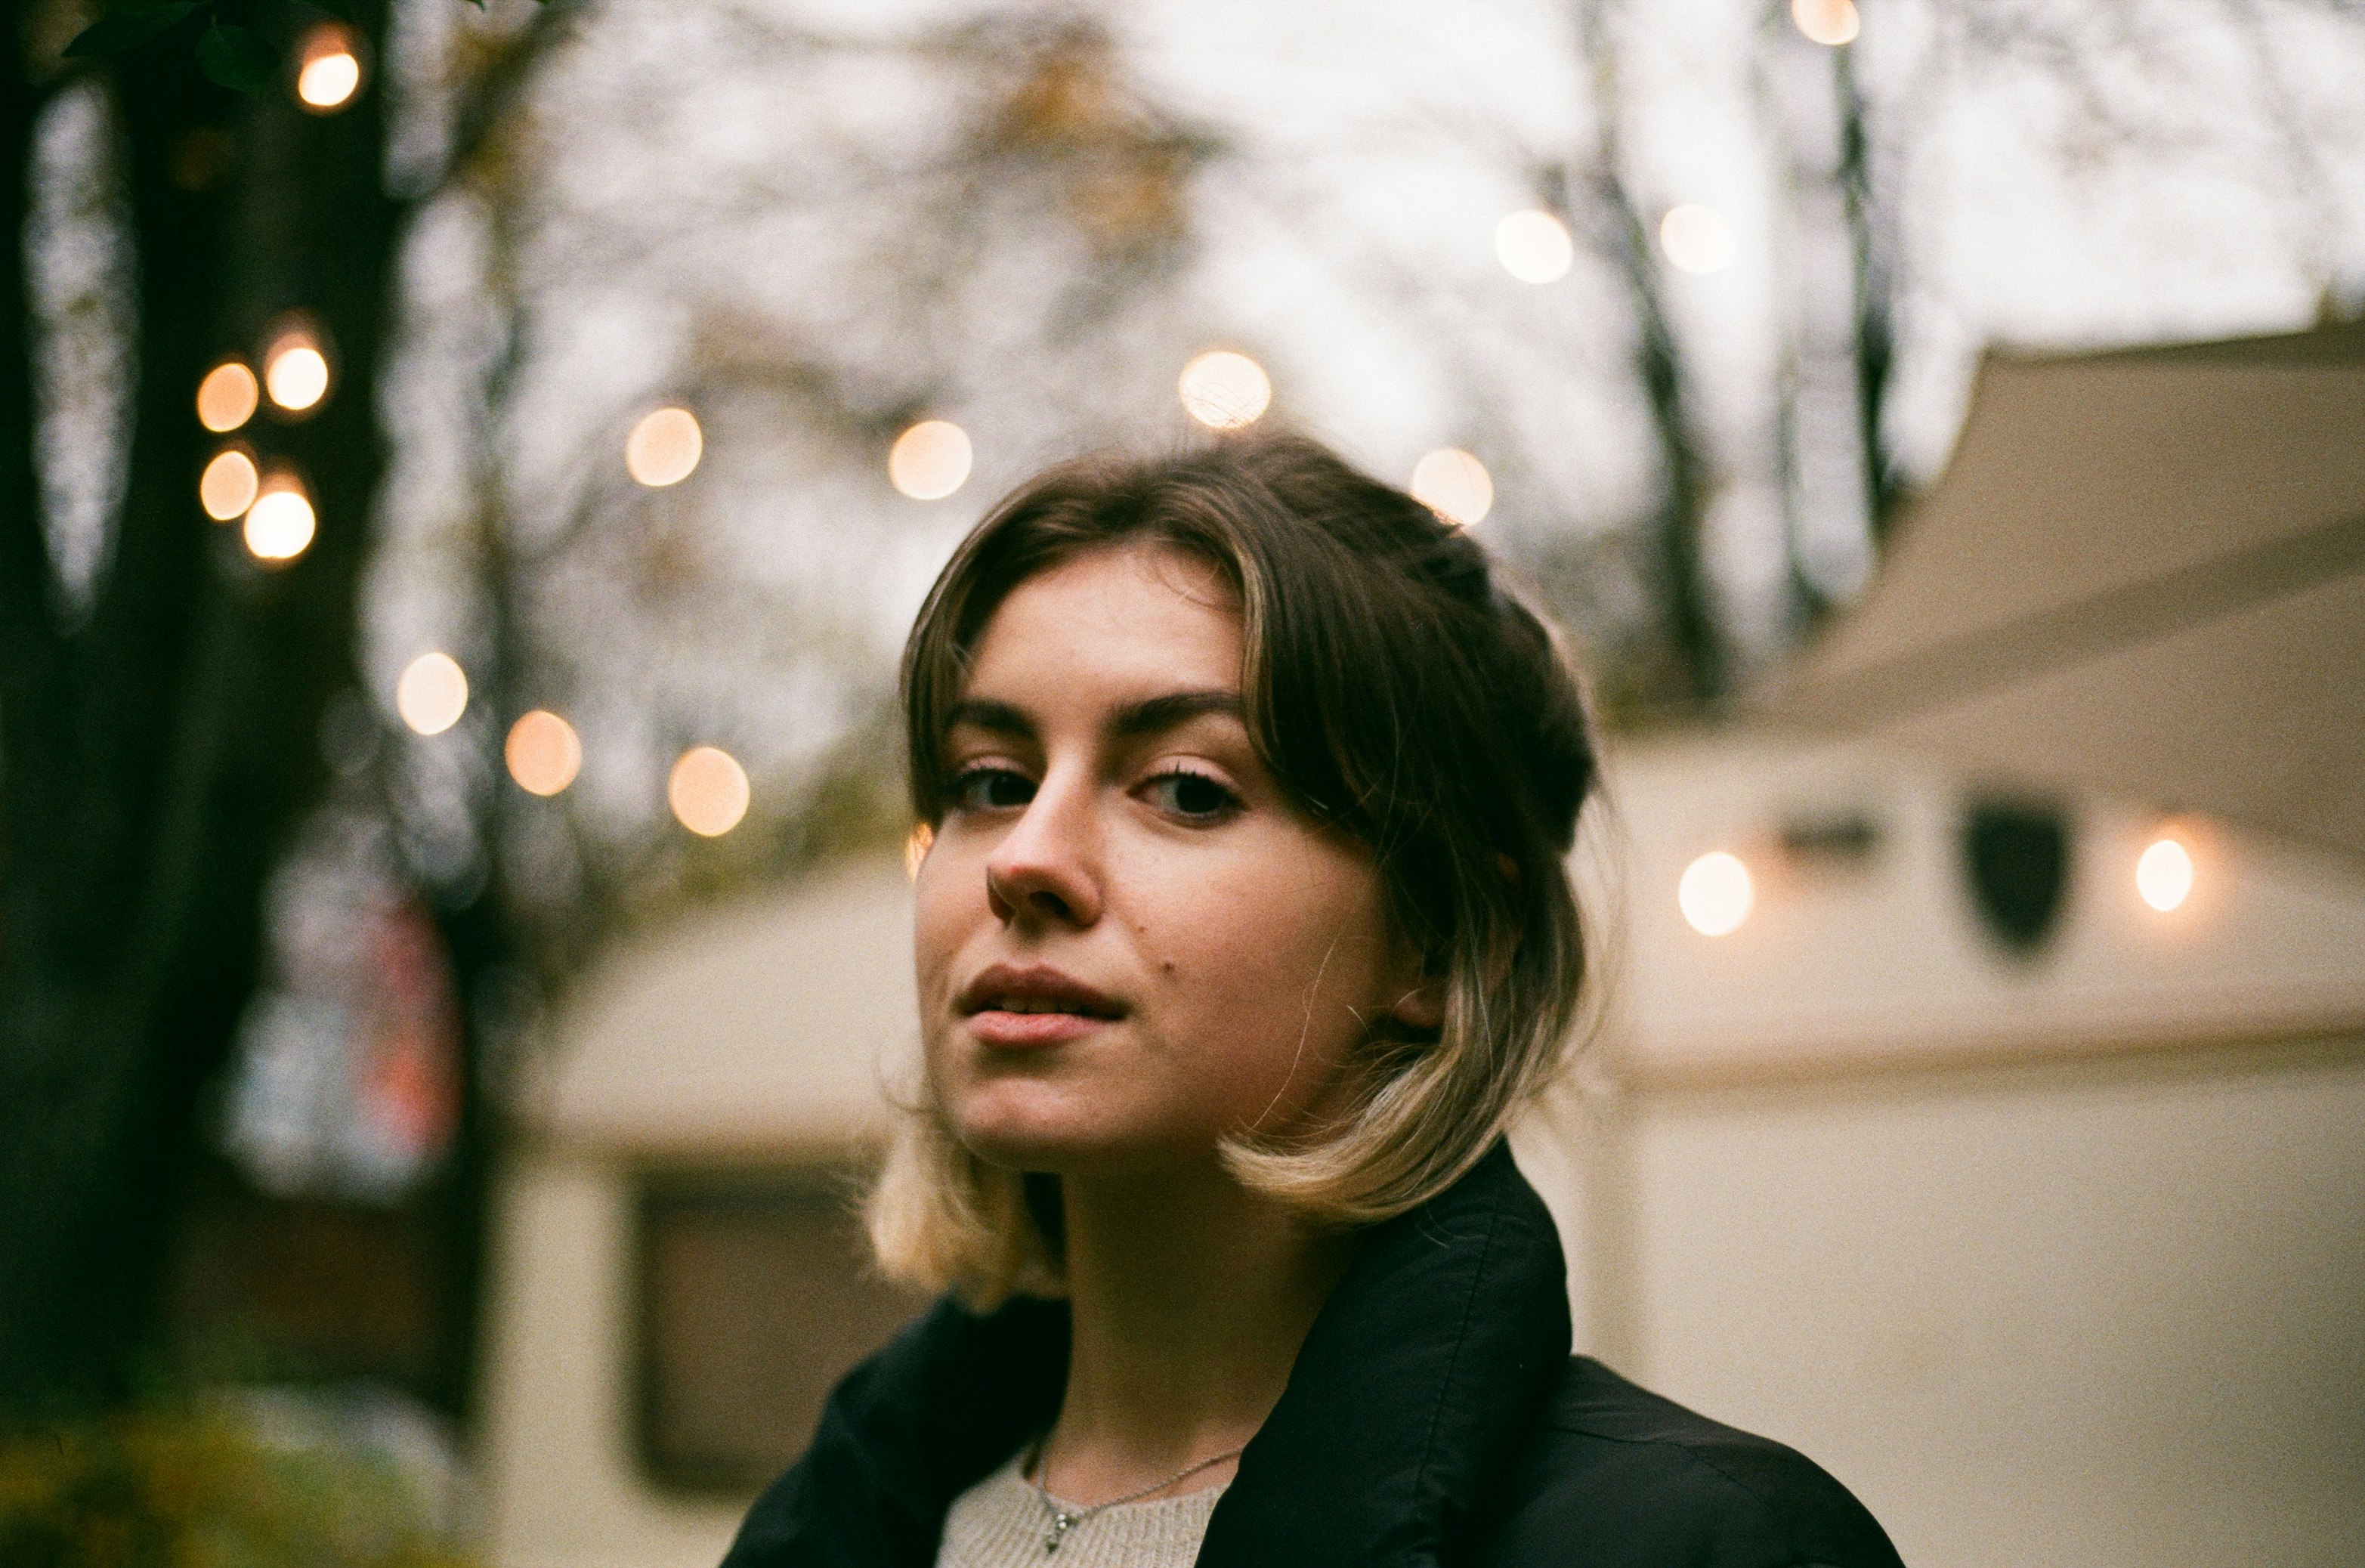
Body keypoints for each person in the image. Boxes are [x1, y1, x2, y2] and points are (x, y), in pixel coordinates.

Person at [722, 435, 1904, 1568]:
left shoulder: (1713, 1550)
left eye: (1184, 790)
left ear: (1447, 946)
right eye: (990, 780)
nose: (1022, 858)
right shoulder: (836, 1526)